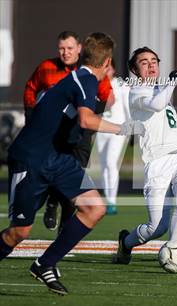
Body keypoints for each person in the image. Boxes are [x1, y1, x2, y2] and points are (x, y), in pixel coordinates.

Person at [0, 33, 141, 295]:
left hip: (58, 158)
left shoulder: (78, 79)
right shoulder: (85, 79)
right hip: (32, 159)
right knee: (19, 232)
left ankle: (45, 264)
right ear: (107, 61)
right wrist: (124, 128)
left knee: (94, 208)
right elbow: (87, 120)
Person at [23, 31, 114, 231]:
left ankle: (65, 221)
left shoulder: (88, 73)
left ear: (79, 49)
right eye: (62, 48)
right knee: (48, 177)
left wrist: (91, 113)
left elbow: (107, 96)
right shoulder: (47, 67)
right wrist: (32, 118)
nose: (65, 52)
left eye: (70, 48)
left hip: (80, 132)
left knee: (75, 177)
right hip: (54, 135)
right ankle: (47, 205)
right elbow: (30, 90)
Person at [113, 47, 177, 264]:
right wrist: (172, 82)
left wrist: (168, 84)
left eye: (154, 61)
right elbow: (157, 105)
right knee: (156, 227)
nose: (151, 65)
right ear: (134, 69)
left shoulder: (161, 88)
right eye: (144, 62)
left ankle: (174, 249)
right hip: (158, 162)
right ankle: (126, 243)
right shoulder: (136, 92)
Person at [95, 60, 130, 215]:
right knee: (103, 166)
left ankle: (112, 201)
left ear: (114, 68)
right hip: (101, 129)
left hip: (118, 129)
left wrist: (131, 127)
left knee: (111, 162)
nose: (106, 70)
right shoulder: (96, 84)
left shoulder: (121, 85)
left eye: (108, 66)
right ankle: (107, 199)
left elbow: (127, 108)